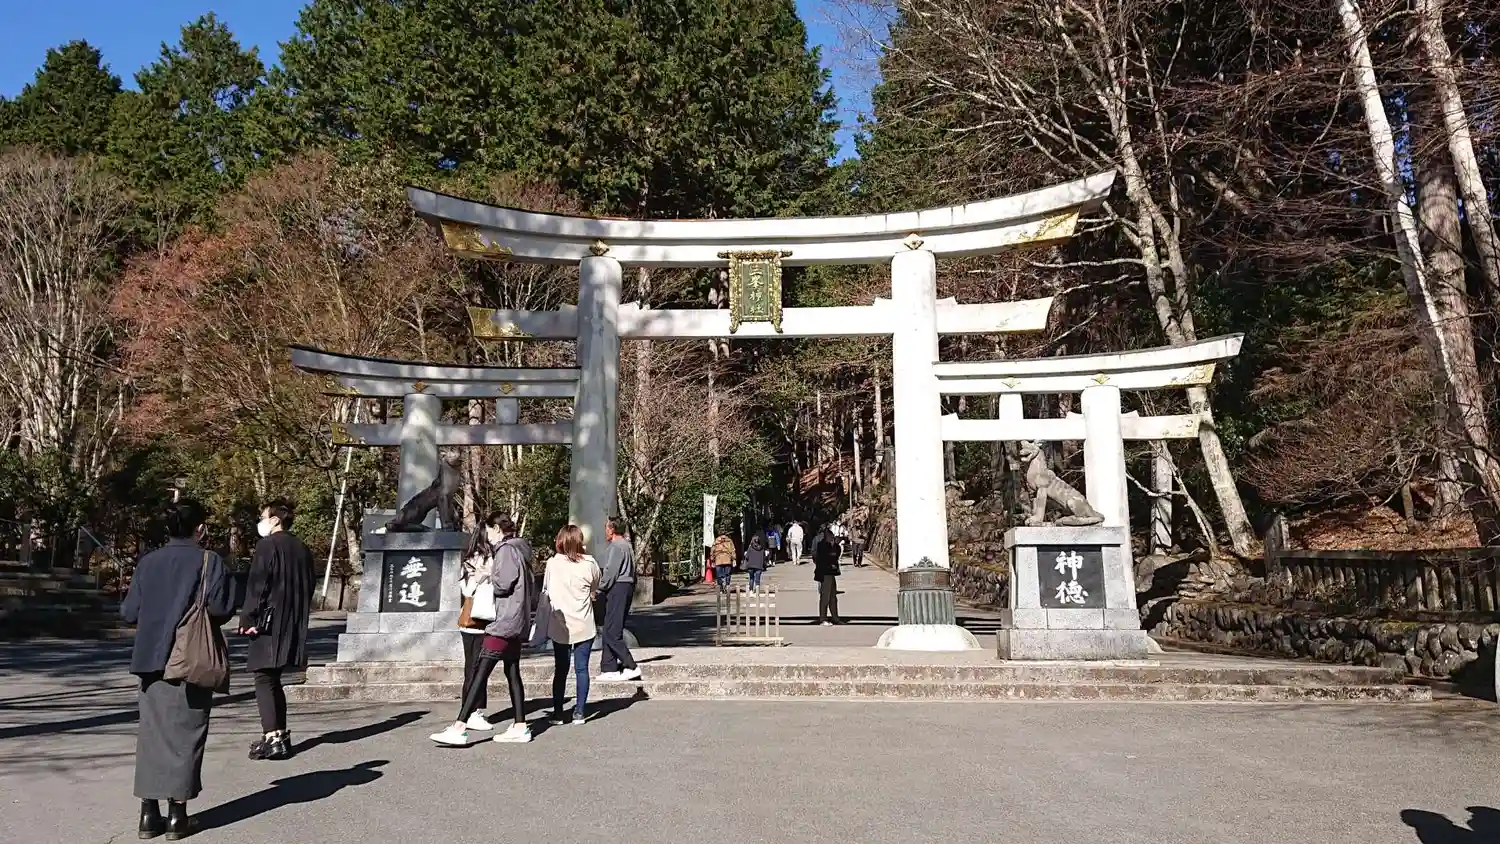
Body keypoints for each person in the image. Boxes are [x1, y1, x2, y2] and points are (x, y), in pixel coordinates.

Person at [121, 498, 234, 840]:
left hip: (150, 661)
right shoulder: (209, 561)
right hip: (191, 660)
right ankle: (177, 816)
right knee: (187, 736)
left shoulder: (148, 562)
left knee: (151, 737)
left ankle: (148, 814)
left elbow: (129, 612)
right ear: (200, 528)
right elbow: (221, 607)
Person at [432, 514, 535, 745]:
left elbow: (503, 584)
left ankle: (459, 727)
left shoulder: (506, 550)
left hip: (504, 622)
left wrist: (486, 576)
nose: (487, 536)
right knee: (512, 672)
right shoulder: (521, 549)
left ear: (496, 529)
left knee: (480, 672)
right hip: (517, 620)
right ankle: (520, 725)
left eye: (488, 531)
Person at [240, 500, 314, 762]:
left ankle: (272, 738)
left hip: (268, 621)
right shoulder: (302, 548)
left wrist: (248, 616)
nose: (260, 522)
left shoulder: (267, 545)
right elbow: (309, 585)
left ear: (274, 520)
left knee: (263, 677)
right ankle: (279, 735)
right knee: (274, 679)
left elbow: (258, 584)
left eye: (263, 517)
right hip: (293, 621)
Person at [542, 524, 601, 725]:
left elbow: (546, 588)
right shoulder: (590, 563)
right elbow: (595, 585)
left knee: (561, 669)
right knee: (582, 669)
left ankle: (558, 713)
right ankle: (580, 712)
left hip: (561, 624)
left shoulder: (552, 564)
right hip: (583, 621)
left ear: (559, 541)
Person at [454, 514, 500, 733]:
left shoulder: (470, 559)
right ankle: (473, 711)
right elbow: (470, 590)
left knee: (472, 668)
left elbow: (464, 590)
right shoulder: (482, 560)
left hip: (472, 622)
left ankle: (470, 710)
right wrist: (483, 577)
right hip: (479, 619)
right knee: (477, 668)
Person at [596, 517, 641, 684]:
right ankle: (609, 668)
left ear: (612, 529)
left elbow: (610, 572)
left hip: (618, 587)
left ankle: (631, 665)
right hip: (626, 586)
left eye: (607, 528)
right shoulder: (627, 546)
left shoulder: (616, 547)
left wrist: (600, 588)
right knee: (611, 627)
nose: (605, 531)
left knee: (611, 631)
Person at [811, 524, 843, 626]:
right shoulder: (822, 545)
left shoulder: (832, 545)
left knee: (833, 597)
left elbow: (837, 554)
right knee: (825, 597)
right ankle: (823, 618)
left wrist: (835, 545)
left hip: (831, 573)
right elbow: (826, 557)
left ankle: (835, 617)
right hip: (825, 573)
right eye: (830, 536)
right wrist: (833, 547)